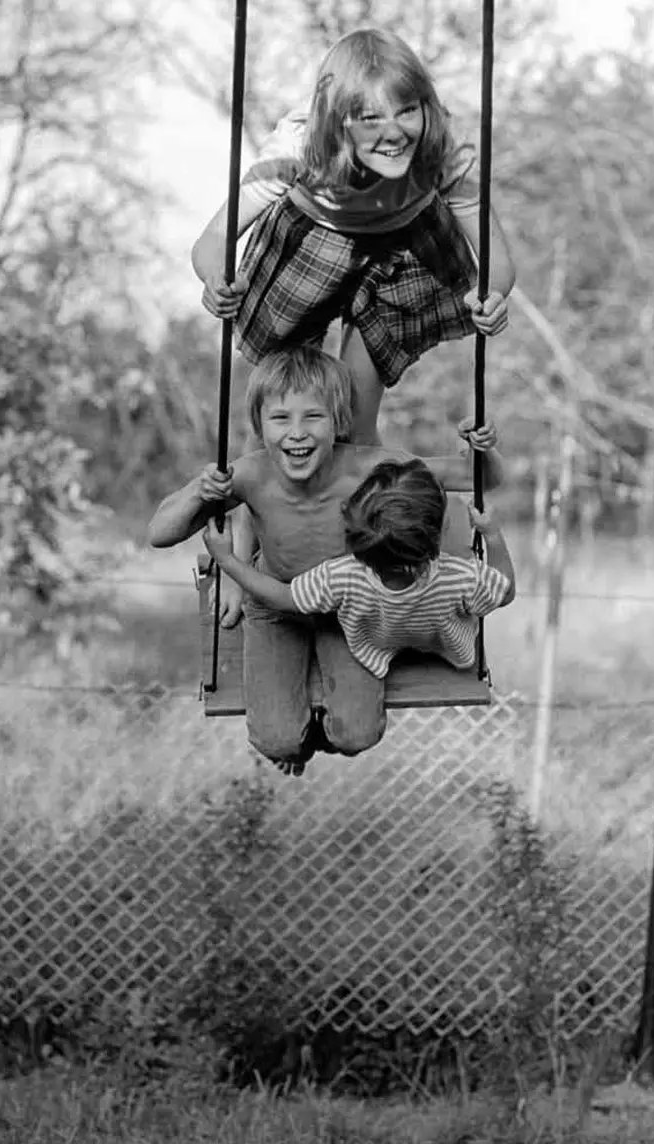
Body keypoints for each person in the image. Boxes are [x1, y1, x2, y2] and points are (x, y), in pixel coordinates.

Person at [193, 27, 516, 626]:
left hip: (404, 251)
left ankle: (363, 551)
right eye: (368, 117)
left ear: (426, 106)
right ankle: (241, 562)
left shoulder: (442, 151)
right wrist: (217, 279)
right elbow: (212, 241)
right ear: (337, 119)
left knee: (353, 419)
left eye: (406, 110)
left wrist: (493, 293)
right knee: (277, 409)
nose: (392, 130)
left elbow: (497, 255)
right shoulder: (296, 148)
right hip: (310, 244)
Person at [148, 346, 505, 776]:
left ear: (337, 421)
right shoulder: (249, 474)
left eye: (312, 417)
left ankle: (322, 734)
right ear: (260, 426)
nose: (296, 433)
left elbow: (478, 478)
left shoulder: (370, 469)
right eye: (280, 418)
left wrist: (483, 449)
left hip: (346, 608)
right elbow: (159, 533)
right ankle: (295, 742)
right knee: (275, 740)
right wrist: (198, 492)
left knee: (357, 735)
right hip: (276, 605)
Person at [202, 458, 515, 682]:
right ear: (438, 536)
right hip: (444, 647)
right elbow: (505, 592)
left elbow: (284, 597)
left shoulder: (344, 576)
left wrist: (229, 561)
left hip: (373, 647)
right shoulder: (458, 577)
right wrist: (492, 535)